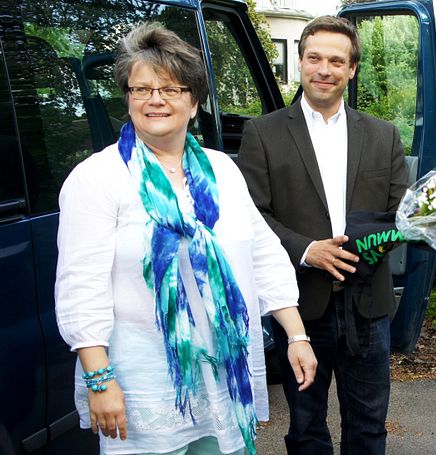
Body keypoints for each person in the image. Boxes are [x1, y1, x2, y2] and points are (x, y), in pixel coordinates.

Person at [55, 23, 316, 455]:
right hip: (146, 384)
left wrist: (296, 335)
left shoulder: (222, 171)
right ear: (128, 99)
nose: (155, 100)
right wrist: (99, 380)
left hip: (222, 377)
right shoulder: (98, 179)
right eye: (141, 89)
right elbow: (80, 286)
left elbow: (263, 253)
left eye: (171, 89)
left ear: (194, 102)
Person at [238, 15, 408, 455]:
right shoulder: (264, 132)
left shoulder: (384, 135)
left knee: (369, 425)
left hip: (367, 303)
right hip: (300, 301)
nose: (324, 69)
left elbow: (402, 216)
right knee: (307, 424)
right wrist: (307, 250)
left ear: (352, 69)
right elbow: (251, 214)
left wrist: (367, 247)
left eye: (337, 60)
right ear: (299, 62)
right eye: (314, 58)